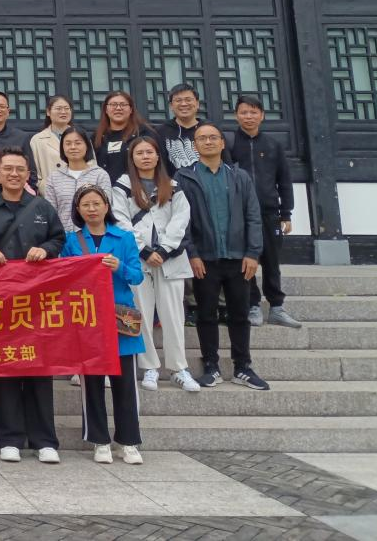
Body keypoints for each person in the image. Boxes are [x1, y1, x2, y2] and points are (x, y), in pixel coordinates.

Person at [0, 147, 65, 464]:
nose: (13, 174)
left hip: (36, 302)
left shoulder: (42, 207)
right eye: (7, 168)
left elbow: (58, 238)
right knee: (5, 367)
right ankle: (9, 439)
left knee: (39, 367)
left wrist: (46, 249)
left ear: (27, 173)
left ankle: (44, 440)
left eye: (19, 169)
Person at [174, 124, 269, 391]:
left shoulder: (239, 177)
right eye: (202, 138)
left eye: (213, 137)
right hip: (204, 259)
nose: (208, 142)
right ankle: (211, 366)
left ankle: (243, 367)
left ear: (222, 143)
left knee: (239, 313)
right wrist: (192, 254)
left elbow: (253, 216)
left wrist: (253, 253)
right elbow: (181, 220)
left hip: (238, 258)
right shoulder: (184, 177)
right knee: (206, 314)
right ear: (194, 146)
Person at [60, 183, 146, 465]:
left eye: (96, 203)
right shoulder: (72, 240)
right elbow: (64, 275)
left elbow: (137, 276)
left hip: (120, 318)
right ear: (78, 210)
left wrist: (118, 266)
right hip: (87, 318)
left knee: (125, 384)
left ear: (107, 206)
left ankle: (129, 441)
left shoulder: (124, 238)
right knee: (92, 383)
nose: (92, 209)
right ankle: (99, 440)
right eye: (85, 205)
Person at [112, 137, 200, 393]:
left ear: (158, 155)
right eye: (139, 153)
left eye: (149, 152)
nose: (145, 157)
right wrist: (144, 250)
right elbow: (120, 220)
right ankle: (149, 366)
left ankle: (178, 368)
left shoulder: (173, 185)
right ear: (132, 158)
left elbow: (181, 219)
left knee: (173, 314)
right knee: (141, 312)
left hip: (170, 258)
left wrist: (163, 250)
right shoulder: (122, 185)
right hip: (138, 259)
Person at [229, 95, 300, 329]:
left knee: (271, 260)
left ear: (262, 115)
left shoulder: (273, 145)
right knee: (246, 260)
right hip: (240, 214)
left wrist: (286, 213)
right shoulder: (229, 144)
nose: (248, 117)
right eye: (243, 112)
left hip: (269, 212)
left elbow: (284, 180)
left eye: (253, 112)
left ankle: (277, 306)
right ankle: (253, 305)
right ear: (236, 115)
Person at [43, 126, 111, 231]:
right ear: (62, 148)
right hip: (63, 237)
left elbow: (105, 209)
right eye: (68, 143)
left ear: (87, 146)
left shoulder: (100, 175)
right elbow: (50, 213)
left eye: (78, 143)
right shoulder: (54, 178)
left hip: (94, 235)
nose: (73, 147)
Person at [93, 90, 155, 183]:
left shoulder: (144, 133)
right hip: (105, 187)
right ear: (106, 110)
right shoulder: (97, 136)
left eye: (123, 104)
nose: (118, 108)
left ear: (131, 109)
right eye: (113, 104)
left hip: (137, 188)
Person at [28, 94, 73, 197]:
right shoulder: (37, 140)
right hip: (51, 195)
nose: (63, 112)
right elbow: (35, 174)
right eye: (58, 108)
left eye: (67, 108)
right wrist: (44, 188)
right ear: (48, 112)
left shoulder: (81, 137)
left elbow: (91, 165)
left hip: (80, 195)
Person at [155, 83, 204, 174]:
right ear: (171, 106)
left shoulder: (210, 129)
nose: (184, 104)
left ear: (197, 104)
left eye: (188, 100)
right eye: (178, 100)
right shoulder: (160, 132)